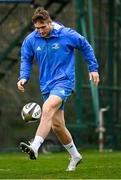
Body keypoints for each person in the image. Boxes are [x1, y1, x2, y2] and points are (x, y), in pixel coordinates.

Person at [17, 7, 99, 171]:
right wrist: (23, 76)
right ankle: (75, 156)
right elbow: (26, 58)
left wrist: (93, 68)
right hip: (46, 85)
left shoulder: (66, 34)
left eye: (43, 27)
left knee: (46, 107)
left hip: (64, 81)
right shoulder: (31, 39)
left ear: (50, 22)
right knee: (57, 126)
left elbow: (85, 46)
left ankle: (35, 145)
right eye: (37, 28)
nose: (40, 31)